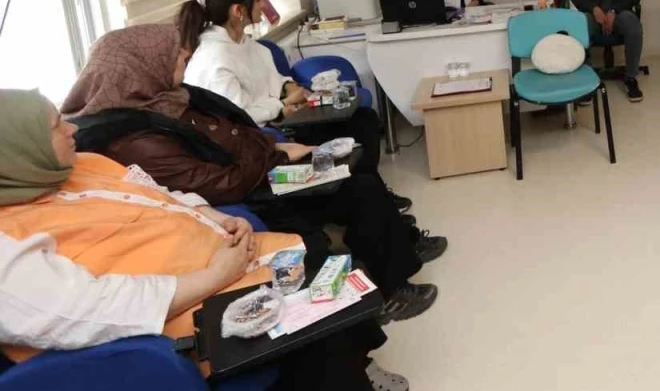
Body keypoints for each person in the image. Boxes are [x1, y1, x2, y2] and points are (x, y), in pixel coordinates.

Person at [0, 89, 406, 390]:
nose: (72, 127)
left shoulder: (83, 164)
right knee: (321, 336)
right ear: (18, 150)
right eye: (55, 126)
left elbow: (163, 194)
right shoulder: (7, 238)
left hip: (230, 262)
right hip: (191, 316)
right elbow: (89, 310)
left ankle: (360, 364)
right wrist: (216, 275)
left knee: (330, 278)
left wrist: (217, 218)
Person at [61, 23, 442, 324]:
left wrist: (278, 149)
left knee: (358, 175)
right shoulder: (133, 138)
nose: (184, 60)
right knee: (358, 191)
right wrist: (276, 155)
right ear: (143, 66)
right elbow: (217, 185)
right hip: (248, 198)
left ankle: (401, 255)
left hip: (258, 172)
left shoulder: (168, 100)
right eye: (175, 55)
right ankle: (389, 292)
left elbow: (236, 133)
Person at [179, 0, 390, 184]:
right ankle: (365, 187)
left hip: (282, 117)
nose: (263, 5)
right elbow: (238, 117)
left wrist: (289, 87)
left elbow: (271, 78)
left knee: (365, 119)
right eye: (257, 0)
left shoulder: (244, 43)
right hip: (258, 135)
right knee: (357, 128)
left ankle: (375, 187)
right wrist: (284, 105)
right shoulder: (215, 58)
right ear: (238, 11)